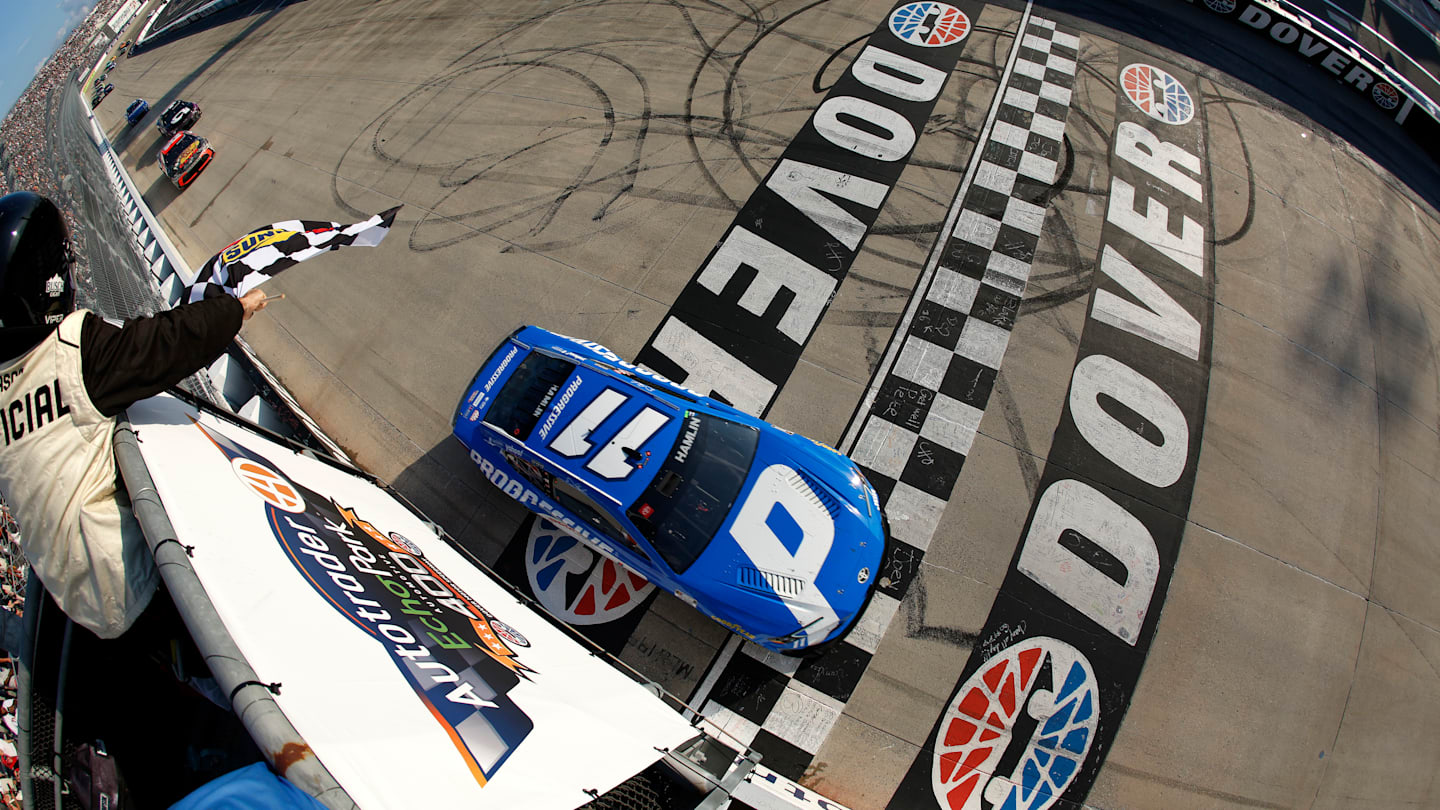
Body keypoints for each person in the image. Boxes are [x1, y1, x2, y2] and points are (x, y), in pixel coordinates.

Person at [0, 190, 271, 639]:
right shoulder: (70, 349)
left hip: (70, 599)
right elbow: (164, 344)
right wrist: (235, 309)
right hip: (130, 586)